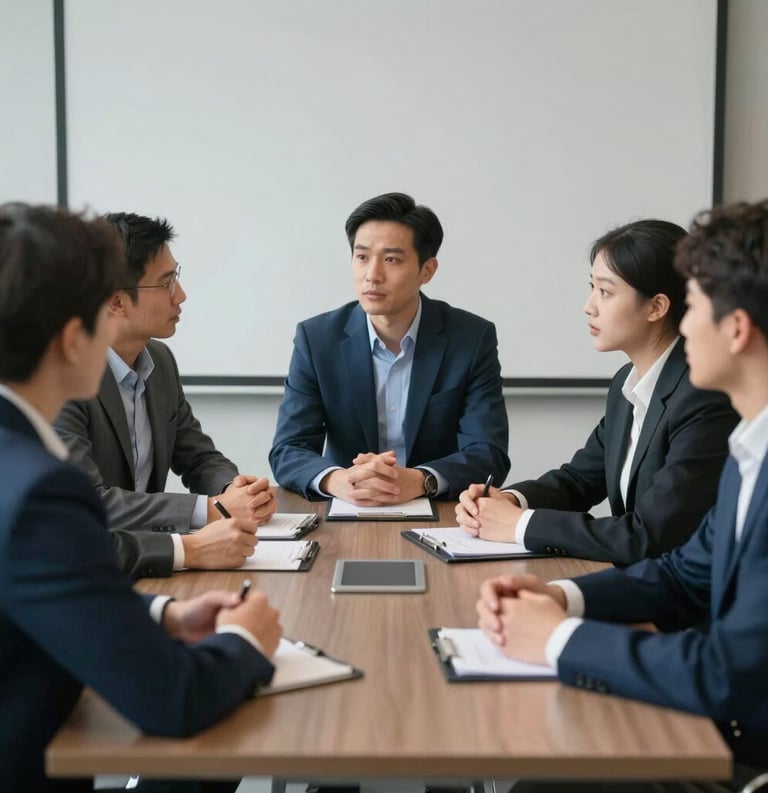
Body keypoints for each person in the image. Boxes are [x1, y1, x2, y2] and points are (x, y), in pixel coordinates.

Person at [476, 198, 768, 787]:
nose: (685, 325)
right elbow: (685, 573)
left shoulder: (726, 422)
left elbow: (725, 672)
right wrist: (561, 599)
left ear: (735, 329)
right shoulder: (751, 448)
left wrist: (557, 639)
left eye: (697, 307)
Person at [0, 203, 282, 792]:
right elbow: (174, 699)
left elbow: (38, 587)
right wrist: (246, 639)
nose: (181, 294)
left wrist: (161, 613)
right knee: (206, 761)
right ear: (78, 337)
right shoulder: (37, 490)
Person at [456, 219, 737, 565]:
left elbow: (648, 536)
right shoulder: (627, 382)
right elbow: (578, 481)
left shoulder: (702, 395)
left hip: (682, 601)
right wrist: (509, 501)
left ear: (656, 307)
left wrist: (519, 525)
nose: (589, 306)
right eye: (591, 288)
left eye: (605, 292)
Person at [55, 212, 276, 578]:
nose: (181, 295)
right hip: (91, 571)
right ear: (116, 302)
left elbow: (199, 457)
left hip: (149, 567)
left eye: (177, 277)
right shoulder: (64, 379)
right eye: (166, 283)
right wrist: (212, 509)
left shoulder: (158, 359)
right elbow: (90, 502)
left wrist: (235, 490)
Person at [269, 192, 510, 505]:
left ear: (427, 270)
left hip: (441, 511)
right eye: (362, 257)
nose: (372, 274)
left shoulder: (471, 339)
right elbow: (288, 449)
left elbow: (488, 453)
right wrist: (338, 480)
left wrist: (420, 479)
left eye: (392, 259)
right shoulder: (317, 339)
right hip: (346, 507)